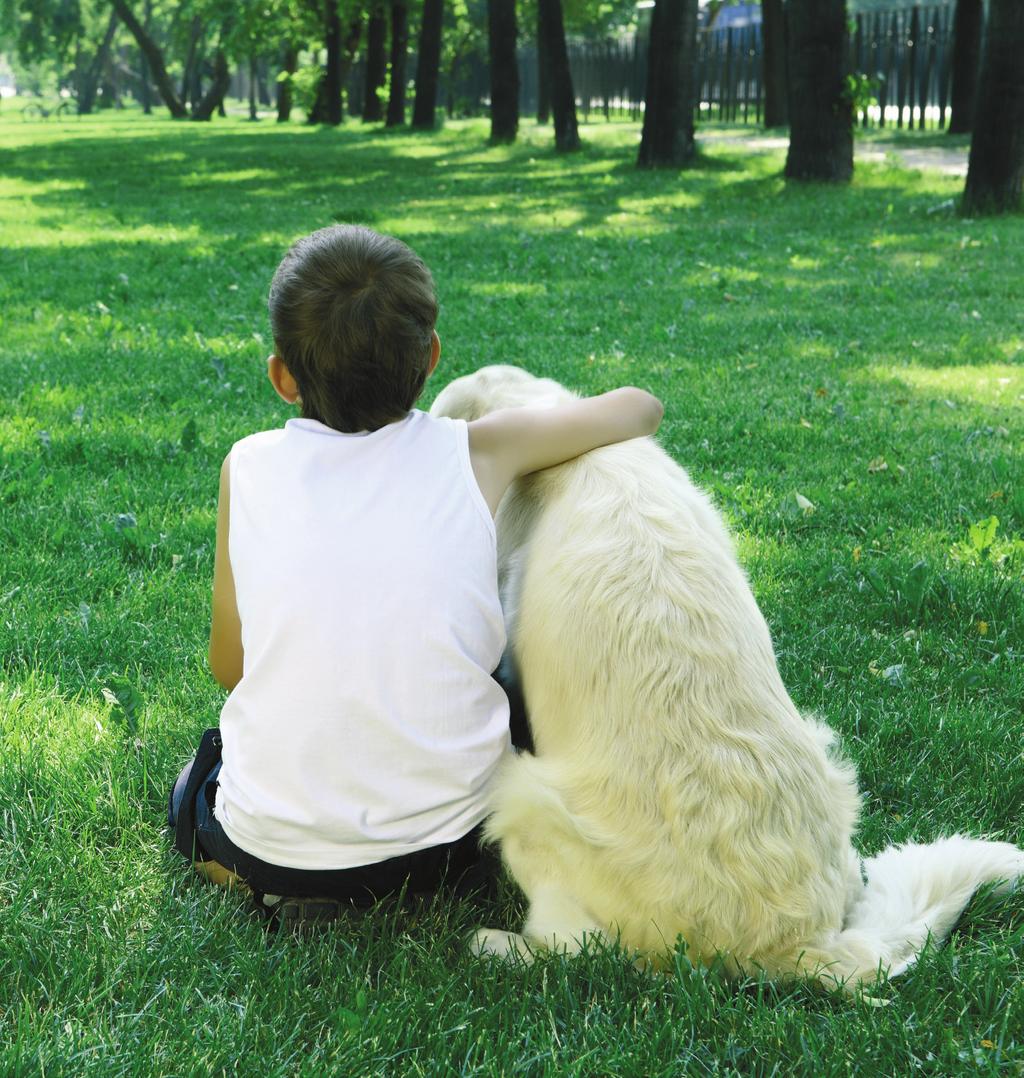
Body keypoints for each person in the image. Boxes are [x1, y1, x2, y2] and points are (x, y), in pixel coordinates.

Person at [168, 224, 663, 927]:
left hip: (265, 856)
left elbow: (230, 666)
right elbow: (640, 407)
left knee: (198, 778)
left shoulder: (245, 467)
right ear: (430, 358)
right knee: (509, 697)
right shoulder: (480, 452)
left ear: (281, 376)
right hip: (455, 853)